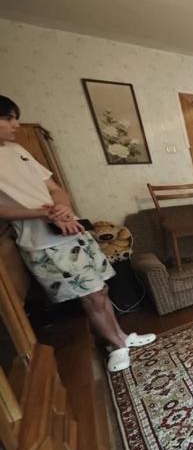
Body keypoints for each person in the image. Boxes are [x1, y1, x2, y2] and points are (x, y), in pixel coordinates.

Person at [0, 95, 155, 372]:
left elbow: (55, 188)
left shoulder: (17, 150)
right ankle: (116, 346)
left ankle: (120, 336)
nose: (16, 124)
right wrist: (42, 214)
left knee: (102, 289)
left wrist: (62, 206)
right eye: (7, 119)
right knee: (91, 296)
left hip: (72, 231)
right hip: (43, 242)